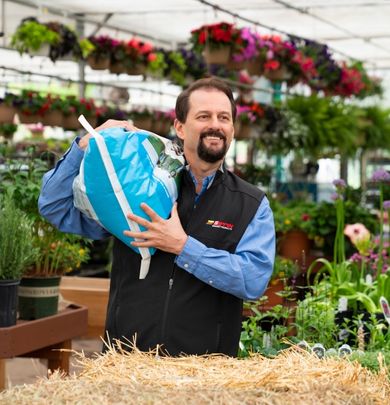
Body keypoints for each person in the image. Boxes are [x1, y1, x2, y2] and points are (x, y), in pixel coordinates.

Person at [38, 77, 275, 357]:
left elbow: (253, 279)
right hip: (127, 360)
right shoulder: (135, 189)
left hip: (206, 370)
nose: (215, 124)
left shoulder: (250, 204)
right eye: (203, 116)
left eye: (224, 117)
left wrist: (182, 246)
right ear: (180, 127)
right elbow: (54, 205)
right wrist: (85, 145)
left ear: (233, 129)